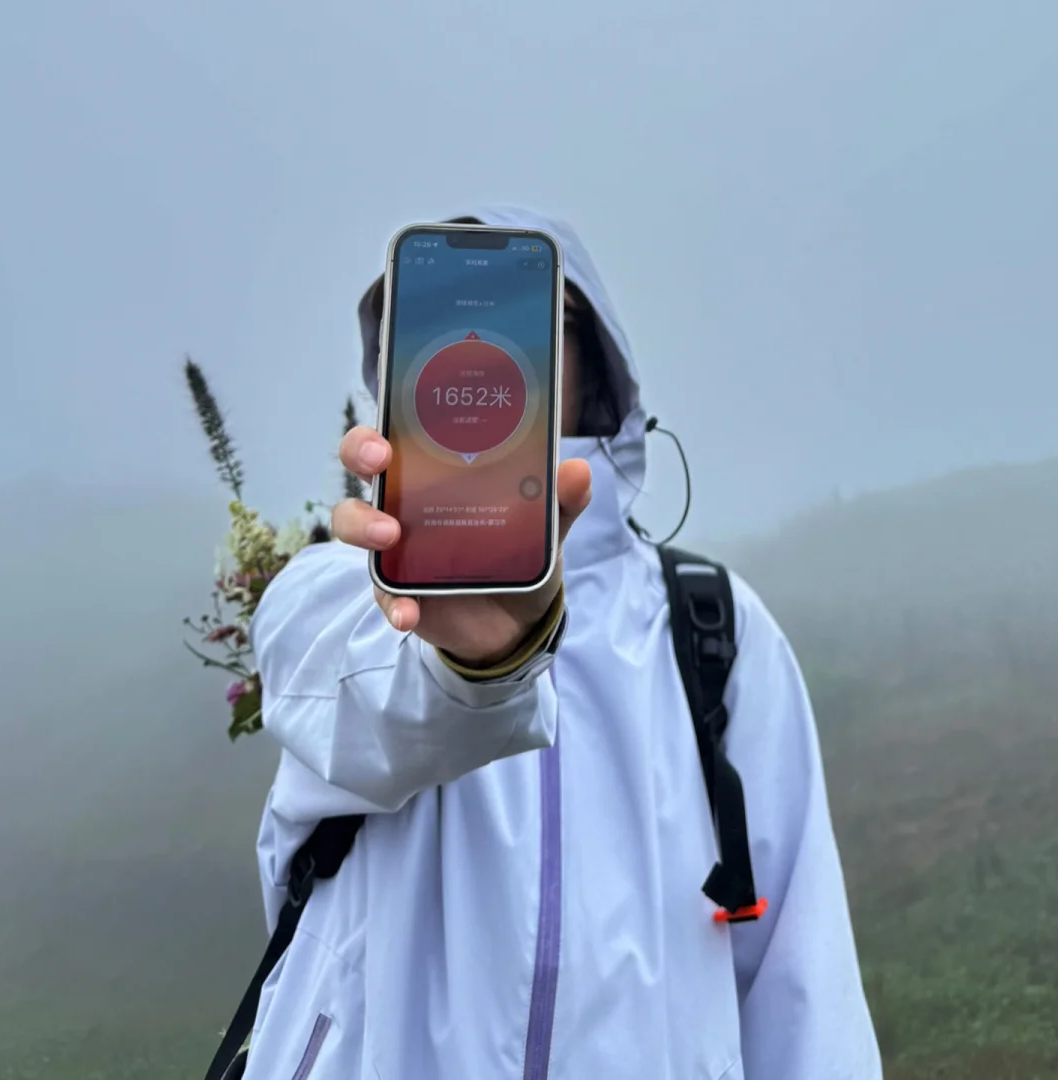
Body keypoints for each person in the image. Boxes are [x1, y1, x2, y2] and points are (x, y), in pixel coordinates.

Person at [244, 205, 882, 1078]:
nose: (480, 353)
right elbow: (377, 710)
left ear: (597, 365)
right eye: (428, 321)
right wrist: (481, 665)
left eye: (538, 313)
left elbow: (802, 988)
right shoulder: (333, 595)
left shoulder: (716, 635)